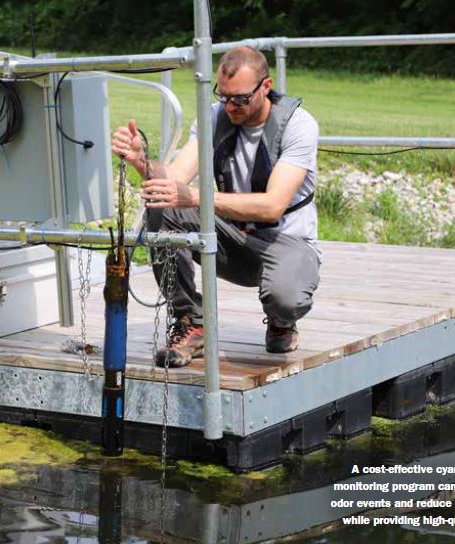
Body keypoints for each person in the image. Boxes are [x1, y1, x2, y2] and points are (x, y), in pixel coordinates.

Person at [111, 46, 320, 368]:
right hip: (231, 236)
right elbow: (175, 179)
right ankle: (191, 323)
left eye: (240, 99)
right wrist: (140, 161)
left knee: (286, 298)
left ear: (265, 86)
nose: (230, 106)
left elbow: (272, 207)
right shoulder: (214, 116)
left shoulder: (298, 125)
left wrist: (196, 197)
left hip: (286, 243)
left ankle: (281, 320)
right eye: (223, 97)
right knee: (162, 205)